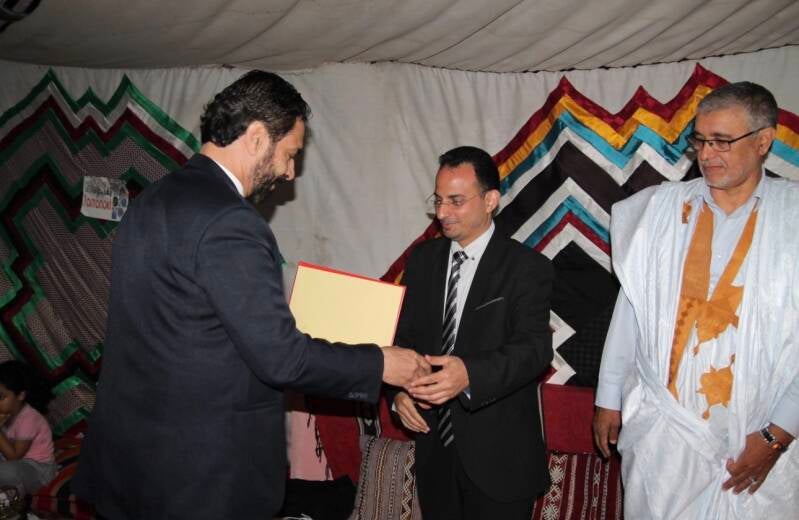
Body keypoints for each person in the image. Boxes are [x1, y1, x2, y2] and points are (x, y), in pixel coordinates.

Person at [72, 70, 429, 520]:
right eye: (290, 154)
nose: (289, 172)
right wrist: (381, 363)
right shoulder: (231, 221)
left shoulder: (150, 201)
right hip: (199, 479)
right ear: (257, 137)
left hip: (131, 465)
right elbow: (281, 358)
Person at [593, 82, 798, 519]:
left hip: (760, 435)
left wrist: (778, 434)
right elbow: (632, 309)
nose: (706, 154)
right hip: (664, 435)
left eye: (722, 141)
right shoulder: (659, 210)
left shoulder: (793, 217)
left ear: (764, 141)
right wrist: (608, 396)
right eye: (700, 140)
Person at [390, 146, 554, 519]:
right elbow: (403, 339)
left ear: (490, 200)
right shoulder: (422, 260)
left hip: (500, 461)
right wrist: (398, 392)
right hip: (435, 456)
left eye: (456, 201)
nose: (442, 213)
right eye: (438, 200)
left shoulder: (527, 267)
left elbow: (534, 350)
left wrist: (469, 374)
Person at [0, 360, 56, 498]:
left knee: (8, 471)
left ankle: (11, 498)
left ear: (20, 395)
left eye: (1, 397)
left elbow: (14, 456)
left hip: (38, 470)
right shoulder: (5, 413)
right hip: (13, 462)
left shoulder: (29, 418)